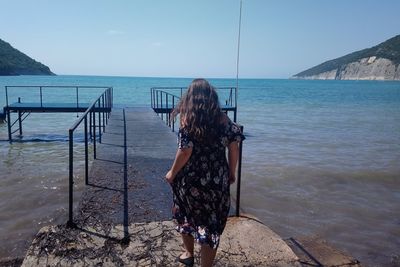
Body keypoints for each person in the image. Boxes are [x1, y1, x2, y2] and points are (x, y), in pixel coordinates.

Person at [165, 79, 245, 267]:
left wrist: (172, 172)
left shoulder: (188, 120)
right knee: (211, 223)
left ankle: (188, 254)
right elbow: (234, 147)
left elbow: (185, 151)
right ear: (212, 97)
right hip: (217, 179)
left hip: (190, 179)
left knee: (184, 213)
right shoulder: (225, 120)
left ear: (191, 98)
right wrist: (231, 172)